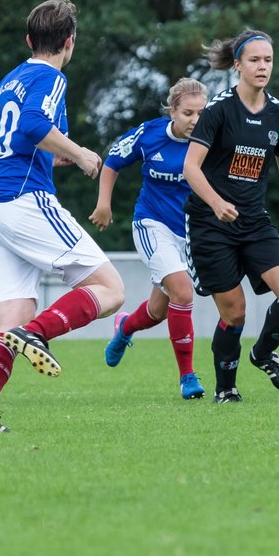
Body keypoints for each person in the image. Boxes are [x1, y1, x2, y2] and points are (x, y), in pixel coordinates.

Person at [0, 0, 125, 432]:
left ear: (28, 39)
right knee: (111, 289)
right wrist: (82, 155)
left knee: (8, 317)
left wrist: (53, 156)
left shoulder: (10, 79)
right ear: (69, 42)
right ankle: (40, 333)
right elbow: (32, 126)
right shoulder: (50, 78)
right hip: (21, 201)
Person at [182, 29, 279, 402]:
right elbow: (191, 168)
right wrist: (216, 203)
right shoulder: (218, 110)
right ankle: (226, 389)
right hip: (210, 224)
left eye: (268, 60)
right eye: (254, 60)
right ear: (238, 65)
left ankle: (263, 353)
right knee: (235, 313)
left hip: (253, 222)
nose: (263, 67)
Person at [89, 78, 208, 400]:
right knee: (182, 293)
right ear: (172, 112)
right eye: (188, 113)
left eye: (201, 112)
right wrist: (104, 204)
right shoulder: (150, 134)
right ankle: (188, 378)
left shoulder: (210, 138)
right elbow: (112, 162)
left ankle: (126, 327)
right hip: (151, 224)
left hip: (191, 233)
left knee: (159, 311)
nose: (195, 120)